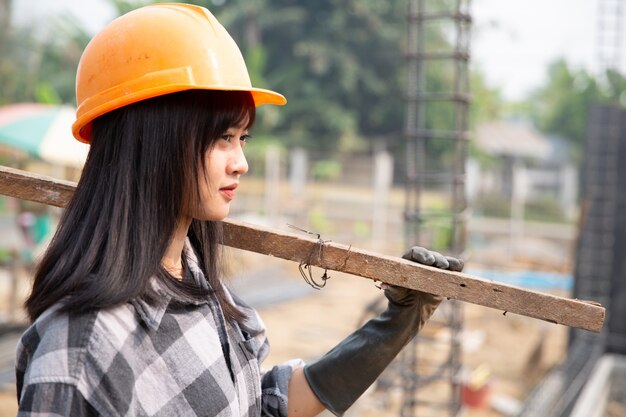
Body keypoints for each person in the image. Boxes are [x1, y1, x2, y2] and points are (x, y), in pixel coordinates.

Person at [15, 4, 463, 417]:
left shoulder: (194, 280)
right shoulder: (80, 354)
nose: (241, 163)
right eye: (221, 138)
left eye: (242, 139)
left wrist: (391, 329)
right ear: (150, 142)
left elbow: (254, 405)